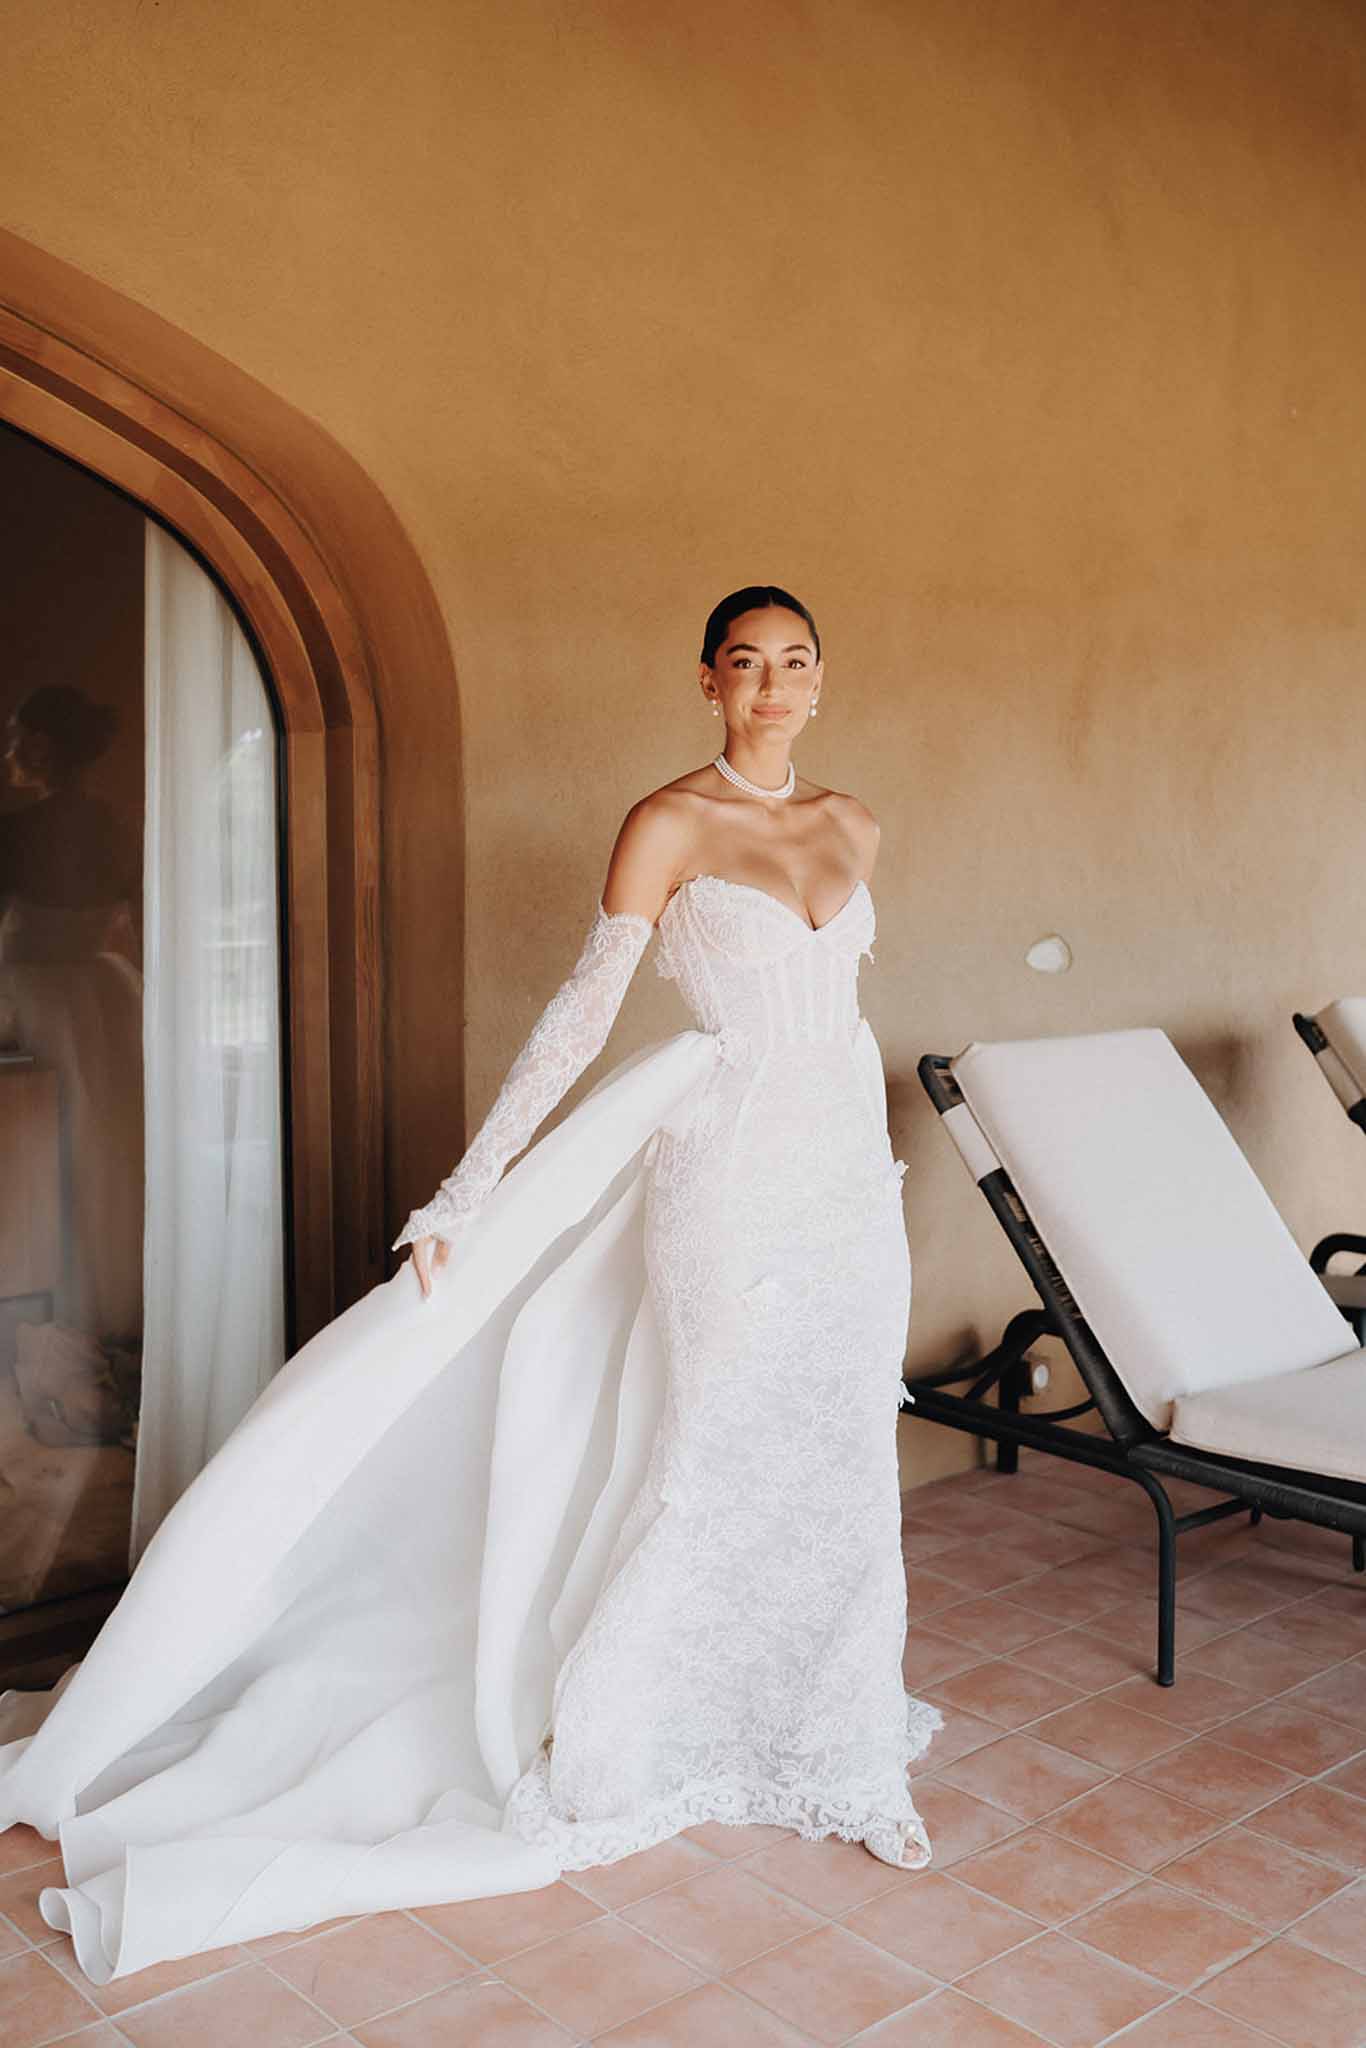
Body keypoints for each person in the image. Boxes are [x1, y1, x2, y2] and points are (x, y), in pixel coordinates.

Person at [0, 586, 938, 1985]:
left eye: (793, 662)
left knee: (839, 1445)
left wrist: (870, 1183)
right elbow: (581, 1012)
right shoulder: (666, 823)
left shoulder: (854, 823)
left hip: (845, 1189)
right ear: (707, 679)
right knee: (709, 1446)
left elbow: (844, 1026)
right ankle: (653, 1727)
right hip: (727, 1182)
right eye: (745, 663)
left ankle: (833, 1737)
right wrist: (469, 1187)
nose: (771, 686)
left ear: (820, 680)